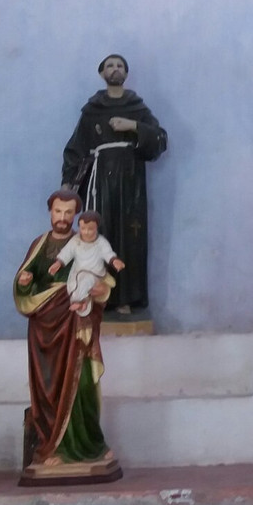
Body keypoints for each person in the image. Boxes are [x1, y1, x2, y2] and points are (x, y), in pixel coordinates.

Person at [14, 189, 116, 470]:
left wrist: (101, 289)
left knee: (82, 386)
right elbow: (27, 282)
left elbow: (102, 280)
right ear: (50, 212)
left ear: (76, 215)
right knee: (48, 387)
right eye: (58, 212)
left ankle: (91, 445)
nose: (62, 218)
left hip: (75, 326)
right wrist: (24, 283)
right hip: (45, 331)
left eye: (68, 213)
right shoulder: (40, 244)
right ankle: (51, 447)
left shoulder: (85, 243)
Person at [62, 54, 167, 317]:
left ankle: (126, 298)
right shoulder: (92, 110)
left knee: (131, 236)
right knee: (99, 234)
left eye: (119, 65)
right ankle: (100, 296)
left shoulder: (137, 108)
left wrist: (132, 126)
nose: (115, 69)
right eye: (110, 65)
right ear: (102, 74)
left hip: (131, 180)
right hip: (100, 181)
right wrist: (68, 184)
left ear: (126, 73)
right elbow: (76, 148)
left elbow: (159, 138)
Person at [48, 211, 125, 317]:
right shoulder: (75, 241)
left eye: (90, 229)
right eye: (83, 228)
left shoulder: (101, 243)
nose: (86, 232)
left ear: (96, 228)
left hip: (94, 273)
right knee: (74, 286)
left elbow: (108, 254)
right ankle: (83, 303)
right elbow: (66, 253)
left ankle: (80, 302)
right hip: (77, 272)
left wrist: (114, 261)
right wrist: (58, 263)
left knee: (86, 281)